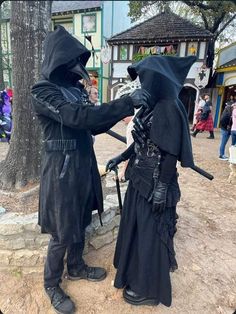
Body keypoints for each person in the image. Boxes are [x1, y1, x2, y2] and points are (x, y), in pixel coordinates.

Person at [31, 25, 149, 314]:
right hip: (61, 168)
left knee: (81, 217)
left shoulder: (75, 89)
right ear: (59, 58)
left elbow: (92, 122)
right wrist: (123, 102)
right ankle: (51, 283)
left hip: (83, 163)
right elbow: (74, 116)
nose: (77, 68)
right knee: (61, 229)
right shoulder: (42, 90)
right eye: (72, 61)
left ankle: (76, 266)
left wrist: (124, 109)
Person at [106, 55, 196, 307]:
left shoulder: (169, 106)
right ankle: (133, 274)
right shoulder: (150, 106)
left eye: (145, 78)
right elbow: (140, 144)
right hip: (138, 177)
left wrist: (163, 187)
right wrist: (121, 156)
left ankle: (149, 289)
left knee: (150, 234)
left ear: (156, 80)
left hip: (156, 182)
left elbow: (170, 153)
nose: (141, 84)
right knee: (137, 229)